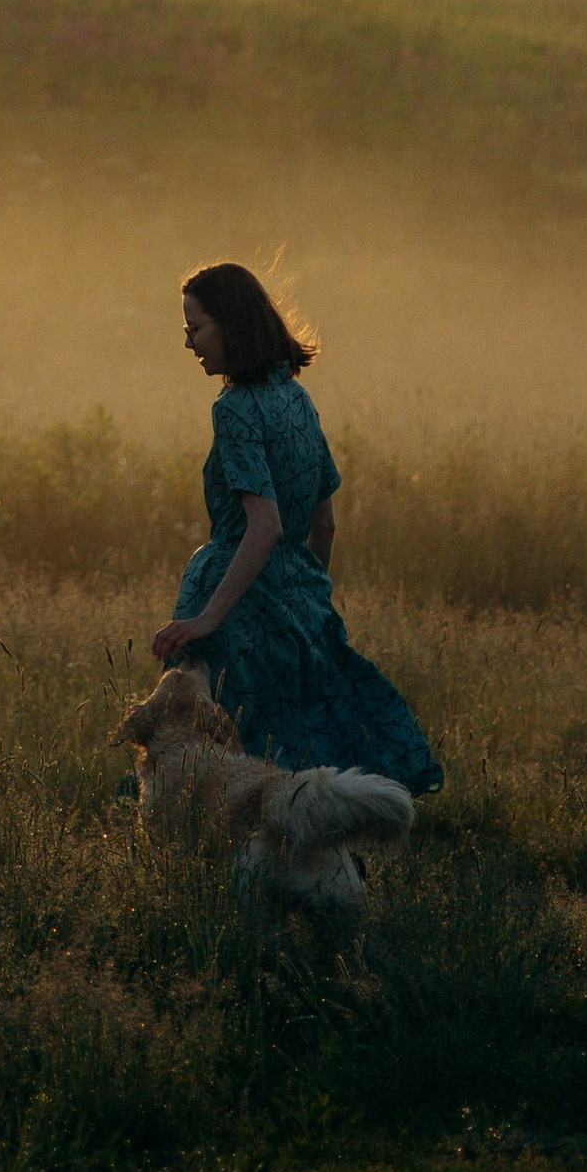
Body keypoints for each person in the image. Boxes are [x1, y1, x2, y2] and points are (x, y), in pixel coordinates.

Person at [150, 258, 441, 797]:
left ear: (231, 326)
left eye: (195, 329)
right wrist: (303, 597)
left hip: (239, 606)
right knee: (304, 754)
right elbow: (323, 523)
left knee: (231, 765)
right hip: (298, 596)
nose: (189, 344)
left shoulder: (235, 410)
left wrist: (208, 618)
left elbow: (264, 526)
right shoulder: (297, 400)